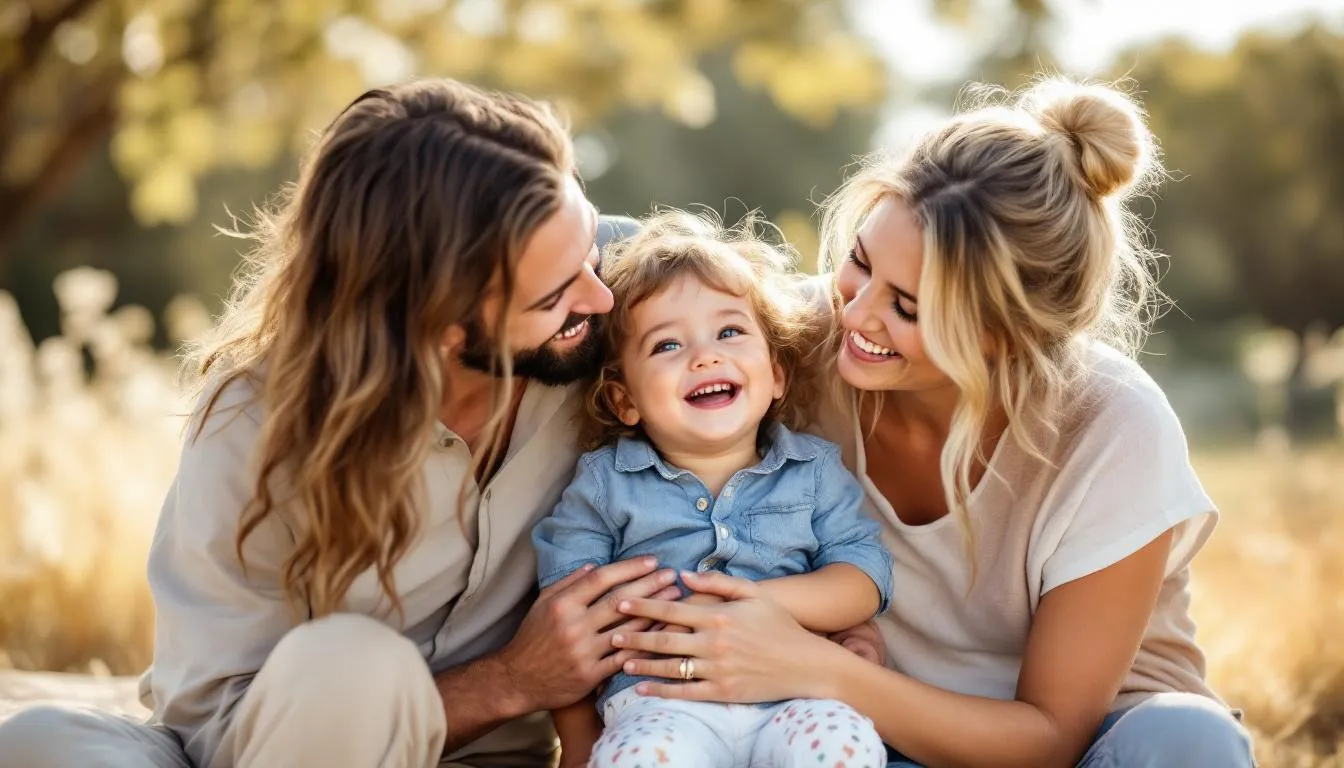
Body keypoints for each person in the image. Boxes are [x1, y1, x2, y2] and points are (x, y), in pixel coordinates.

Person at [0, 79, 665, 768]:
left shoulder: (617, 289)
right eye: (556, 296)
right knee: (40, 745)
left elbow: (775, 319)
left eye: (588, 248)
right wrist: (508, 682)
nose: (604, 294)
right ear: (436, 324)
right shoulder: (251, 424)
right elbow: (213, 725)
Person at [605, 79, 1257, 767]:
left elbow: (1051, 736)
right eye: (858, 263)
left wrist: (814, 667)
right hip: (868, 743)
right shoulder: (790, 346)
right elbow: (638, 284)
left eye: (908, 309)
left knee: (1192, 740)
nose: (853, 316)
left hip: (1080, 751)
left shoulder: (1112, 428)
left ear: (1006, 336)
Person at [531, 211, 893, 767]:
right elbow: (566, 621)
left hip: (793, 692)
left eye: (729, 332)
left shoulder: (815, 470)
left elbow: (863, 574)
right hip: (658, 702)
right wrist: (579, 744)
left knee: (843, 747)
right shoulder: (605, 484)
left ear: (775, 374)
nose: (705, 356)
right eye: (666, 346)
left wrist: (759, 607)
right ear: (624, 400)